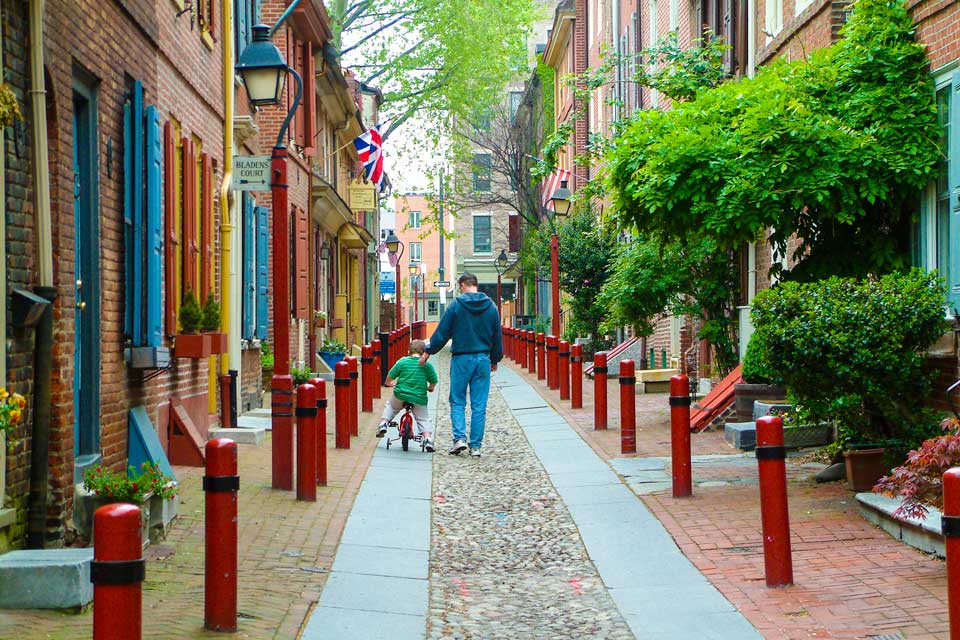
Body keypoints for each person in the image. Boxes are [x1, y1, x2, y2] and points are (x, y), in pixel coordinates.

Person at [420, 273, 502, 457]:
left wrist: (429, 350)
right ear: (476, 285)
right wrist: (495, 359)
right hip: (482, 358)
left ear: (463, 285)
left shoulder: (457, 305)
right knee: (479, 404)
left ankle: (459, 439)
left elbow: (443, 331)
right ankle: (476, 446)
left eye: (460, 287)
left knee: (457, 400)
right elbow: (497, 335)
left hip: (461, 358)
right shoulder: (491, 307)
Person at [377, 339, 438, 452]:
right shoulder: (427, 365)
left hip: (400, 394)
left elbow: (390, 376)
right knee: (423, 419)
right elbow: (434, 380)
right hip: (419, 398)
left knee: (391, 406)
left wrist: (389, 383)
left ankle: (384, 424)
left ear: (408, 350)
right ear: (424, 352)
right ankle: (428, 439)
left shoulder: (402, 361)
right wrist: (431, 388)